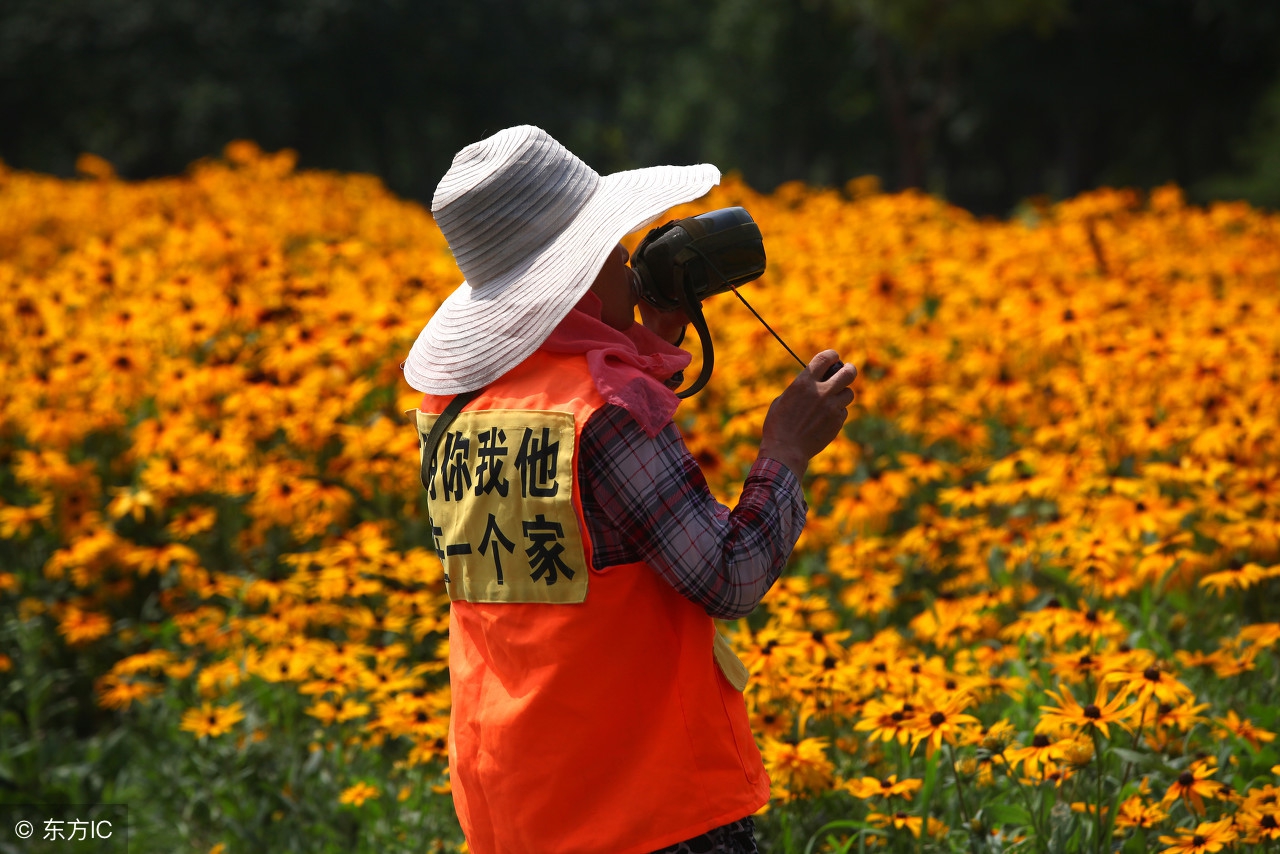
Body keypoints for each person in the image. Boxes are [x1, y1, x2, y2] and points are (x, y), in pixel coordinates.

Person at [403, 125, 857, 854]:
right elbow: (729, 577)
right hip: (648, 807)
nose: (629, 267)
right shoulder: (604, 413)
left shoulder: (455, 412)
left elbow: (587, 526)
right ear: (575, 276)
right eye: (613, 253)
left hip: (519, 804)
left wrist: (651, 347)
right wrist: (787, 450)